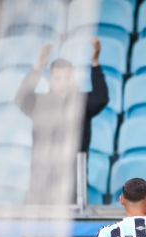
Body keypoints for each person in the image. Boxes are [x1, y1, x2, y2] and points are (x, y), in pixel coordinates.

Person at [16, 37, 109, 205]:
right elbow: (21, 98)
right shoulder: (40, 103)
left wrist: (95, 63)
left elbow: (101, 98)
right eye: (58, 78)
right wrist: (38, 66)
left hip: (72, 181)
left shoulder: (81, 103)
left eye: (67, 78)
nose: (62, 83)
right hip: (41, 180)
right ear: (50, 79)